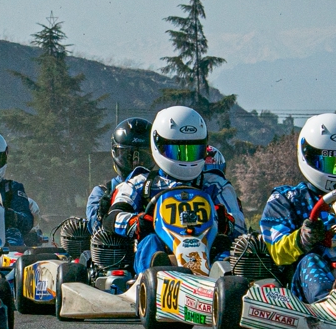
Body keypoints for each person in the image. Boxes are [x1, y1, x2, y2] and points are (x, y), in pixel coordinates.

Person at [101, 106, 246, 273]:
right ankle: (154, 275)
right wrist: (136, 222)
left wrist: (226, 220)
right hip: (162, 256)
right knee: (150, 241)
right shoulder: (141, 183)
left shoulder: (215, 184)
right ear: (158, 145)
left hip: (208, 253)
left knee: (224, 244)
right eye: (177, 151)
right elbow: (113, 216)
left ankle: (221, 277)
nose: (186, 159)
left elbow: (240, 223)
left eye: (192, 150)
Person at [261, 113, 336, 304]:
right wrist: (302, 238)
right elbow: (277, 251)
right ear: (307, 155)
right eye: (330, 163)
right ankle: (329, 301)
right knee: (312, 260)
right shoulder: (286, 199)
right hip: (300, 286)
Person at [86, 118, 152, 234]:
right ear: (114, 153)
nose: (136, 163)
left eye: (143, 156)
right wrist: (102, 213)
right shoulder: (102, 192)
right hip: (119, 249)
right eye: (129, 156)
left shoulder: (160, 188)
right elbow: (94, 228)